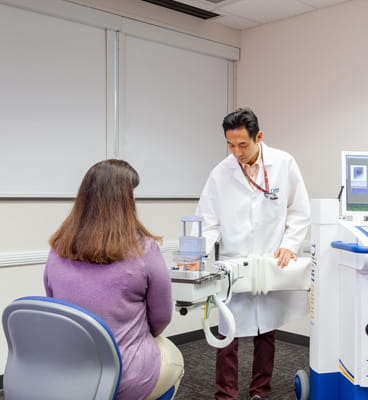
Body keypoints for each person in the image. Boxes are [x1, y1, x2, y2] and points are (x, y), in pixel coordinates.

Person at [195, 108, 311, 400]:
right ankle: (226, 394)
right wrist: (197, 252)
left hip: (269, 261)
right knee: (227, 333)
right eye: (230, 145)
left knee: (266, 331)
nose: (236, 152)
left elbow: (299, 210)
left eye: (243, 145)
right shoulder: (221, 173)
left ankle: (260, 391)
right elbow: (208, 221)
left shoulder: (284, 163)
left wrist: (290, 244)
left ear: (259, 136)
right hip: (234, 265)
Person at [44, 159, 184, 400]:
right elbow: (161, 318)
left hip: (71, 373)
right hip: (124, 378)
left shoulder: (58, 248)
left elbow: (55, 303)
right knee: (176, 360)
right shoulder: (145, 250)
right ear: (125, 201)